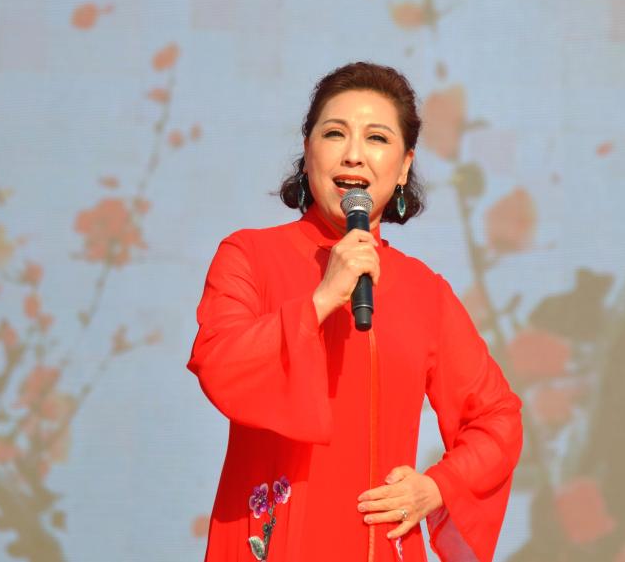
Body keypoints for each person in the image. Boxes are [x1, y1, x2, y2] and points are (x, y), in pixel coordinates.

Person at [187, 62, 523, 562]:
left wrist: (436, 487)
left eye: (377, 138)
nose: (353, 154)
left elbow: (497, 418)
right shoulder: (249, 256)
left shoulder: (425, 292)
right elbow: (220, 362)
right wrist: (322, 299)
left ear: (404, 166)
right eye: (334, 133)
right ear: (308, 151)